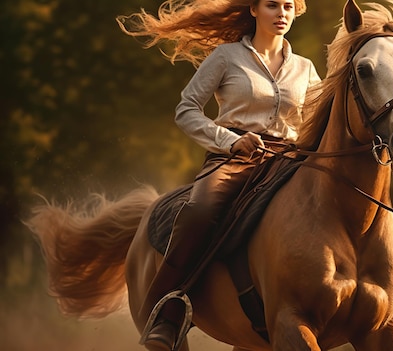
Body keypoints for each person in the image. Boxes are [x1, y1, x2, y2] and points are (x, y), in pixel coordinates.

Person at [117, 1, 320, 350]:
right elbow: (186, 110)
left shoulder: (306, 69)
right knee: (199, 212)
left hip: (288, 161)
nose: (282, 13)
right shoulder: (226, 57)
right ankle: (166, 313)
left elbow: (317, 122)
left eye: (289, 6)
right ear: (254, 10)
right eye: (273, 5)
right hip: (236, 159)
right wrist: (231, 140)